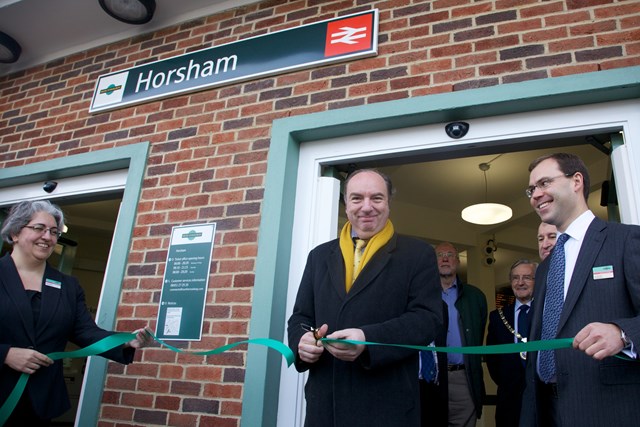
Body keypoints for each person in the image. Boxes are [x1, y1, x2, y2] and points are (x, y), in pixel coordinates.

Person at [287, 169, 443, 427]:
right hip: (324, 407)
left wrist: (369, 340)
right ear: (346, 204)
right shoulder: (318, 256)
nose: (367, 207)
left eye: (377, 198)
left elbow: (428, 320)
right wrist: (301, 342)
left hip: (386, 408)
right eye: (357, 198)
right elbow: (301, 317)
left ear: (389, 203)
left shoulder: (419, 254)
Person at [0, 200, 152, 426]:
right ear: (14, 233)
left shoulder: (68, 286)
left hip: (40, 403)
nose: (48, 237)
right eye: (39, 228)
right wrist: (5, 354)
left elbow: (85, 331)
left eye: (53, 232)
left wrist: (126, 342)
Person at [521, 152, 640, 426]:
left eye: (544, 183)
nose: (535, 195)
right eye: (531, 189)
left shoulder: (626, 240)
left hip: (607, 410)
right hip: (547, 410)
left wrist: (623, 334)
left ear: (576, 181)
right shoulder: (545, 267)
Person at [433, 242, 487, 427]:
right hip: (432, 377)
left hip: (463, 379)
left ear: (457, 261)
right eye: (440, 255)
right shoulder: (422, 293)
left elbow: (477, 336)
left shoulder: (475, 296)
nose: (445, 258)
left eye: (450, 255)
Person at [486, 259, 537, 427]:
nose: (520, 282)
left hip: (542, 396)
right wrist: (507, 381)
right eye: (515, 278)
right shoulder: (497, 317)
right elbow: (492, 359)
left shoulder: (546, 313)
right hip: (509, 399)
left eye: (527, 277)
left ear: (537, 280)